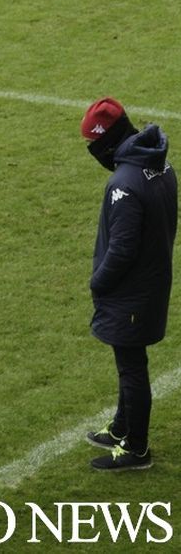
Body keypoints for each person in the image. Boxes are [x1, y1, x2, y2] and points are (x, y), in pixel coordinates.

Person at [80, 98, 176, 471]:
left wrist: (98, 281)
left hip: (131, 292)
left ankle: (136, 448)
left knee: (131, 368)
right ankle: (122, 426)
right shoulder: (160, 165)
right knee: (130, 364)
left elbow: (121, 249)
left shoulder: (123, 184)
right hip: (151, 283)